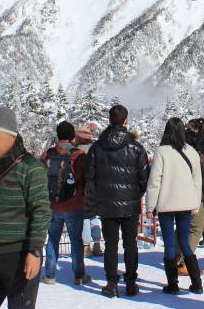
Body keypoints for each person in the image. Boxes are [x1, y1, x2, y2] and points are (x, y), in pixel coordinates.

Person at [0, 104, 51, 309]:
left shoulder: (31, 169)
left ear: (12, 136)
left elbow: (41, 211)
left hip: (20, 254)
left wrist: (35, 251)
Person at [85, 104, 150, 298]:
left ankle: (111, 283)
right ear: (126, 121)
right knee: (131, 244)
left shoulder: (97, 147)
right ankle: (131, 283)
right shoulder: (136, 148)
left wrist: (99, 197)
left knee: (111, 244)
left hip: (107, 204)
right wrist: (134, 195)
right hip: (130, 204)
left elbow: (90, 177)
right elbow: (144, 179)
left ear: (109, 120)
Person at [146, 117, 204, 294]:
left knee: (169, 244)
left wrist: (150, 206)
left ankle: (173, 285)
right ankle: (197, 283)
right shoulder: (191, 152)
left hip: (166, 205)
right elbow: (197, 181)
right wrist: (195, 203)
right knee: (185, 243)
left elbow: (155, 181)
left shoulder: (162, 152)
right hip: (186, 204)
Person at [41, 120, 91, 286]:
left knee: (53, 239)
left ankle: (49, 275)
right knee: (75, 240)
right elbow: (87, 178)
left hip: (52, 204)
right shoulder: (79, 155)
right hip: (74, 204)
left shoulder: (48, 154)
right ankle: (79, 275)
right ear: (72, 136)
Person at [186, 118, 204, 246]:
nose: (187, 131)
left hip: (198, 176)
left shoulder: (194, 141)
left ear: (196, 129)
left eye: (189, 128)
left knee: (201, 204)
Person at [75, 125, 103, 258]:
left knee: (85, 218)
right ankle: (97, 244)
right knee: (94, 217)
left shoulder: (76, 151)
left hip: (81, 188)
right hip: (95, 188)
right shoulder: (96, 150)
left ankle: (86, 246)